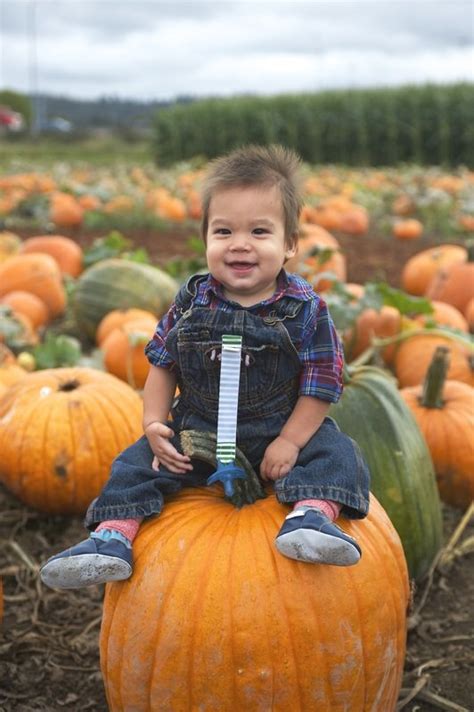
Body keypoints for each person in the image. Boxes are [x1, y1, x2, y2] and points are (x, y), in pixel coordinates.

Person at [40, 144, 370, 590]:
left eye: (259, 231)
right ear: (206, 238)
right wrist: (155, 422)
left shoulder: (305, 309)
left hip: (277, 429)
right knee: (135, 464)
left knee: (338, 452)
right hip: (198, 431)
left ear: (290, 243)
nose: (239, 244)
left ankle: (310, 516)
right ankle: (111, 538)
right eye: (223, 231)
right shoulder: (192, 300)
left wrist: (291, 443)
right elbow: (163, 361)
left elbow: (322, 384)